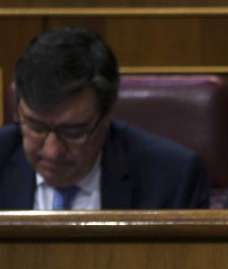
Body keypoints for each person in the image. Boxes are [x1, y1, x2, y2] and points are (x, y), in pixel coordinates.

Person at [1, 27, 210, 210]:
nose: (52, 151)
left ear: (107, 115)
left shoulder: (171, 179)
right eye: (37, 128)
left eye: (73, 132)